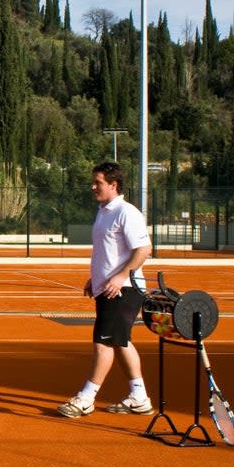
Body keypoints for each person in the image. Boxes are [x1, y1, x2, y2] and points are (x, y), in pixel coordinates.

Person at [57, 162, 153, 418]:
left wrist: (121, 277)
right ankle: (139, 396)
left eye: (98, 182)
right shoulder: (103, 211)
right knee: (121, 342)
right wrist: (95, 278)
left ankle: (86, 399)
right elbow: (107, 252)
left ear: (114, 185)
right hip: (107, 289)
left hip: (123, 291)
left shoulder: (126, 212)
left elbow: (143, 249)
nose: (93, 187)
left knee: (103, 343)